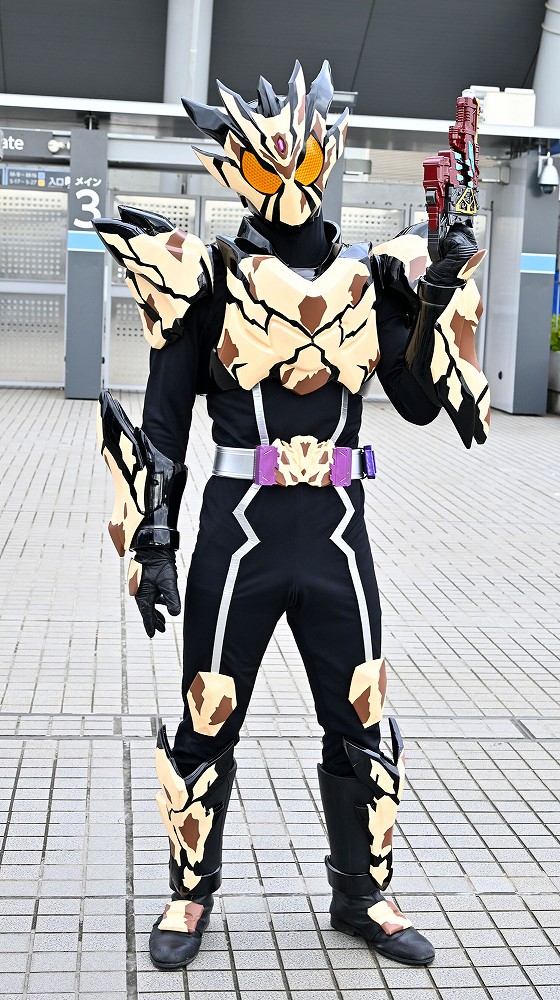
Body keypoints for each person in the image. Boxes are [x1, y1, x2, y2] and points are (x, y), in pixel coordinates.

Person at [94, 61, 489, 972]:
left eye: (302, 160)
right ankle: (190, 894)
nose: (286, 180)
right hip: (239, 534)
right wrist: (154, 537)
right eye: (265, 164)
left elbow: (417, 403)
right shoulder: (204, 278)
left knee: (362, 718)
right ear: (234, 169)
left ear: (326, 156)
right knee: (207, 716)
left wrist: (433, 300)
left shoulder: (373, 279)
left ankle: (364, 895)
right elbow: (163, 424)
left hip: (338, 531)